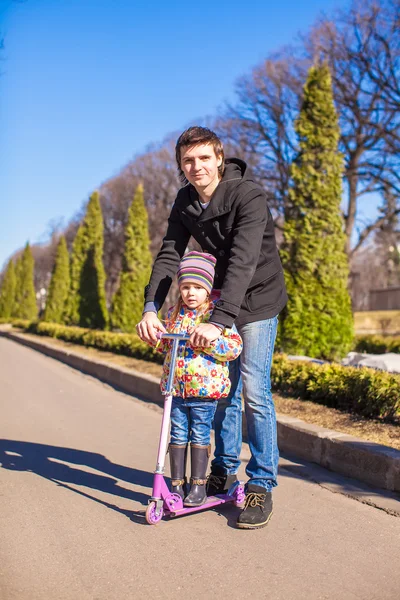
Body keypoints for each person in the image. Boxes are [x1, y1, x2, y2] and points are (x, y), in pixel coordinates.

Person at [136, 126, 288, 529]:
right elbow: (170, 253)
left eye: (204, 158)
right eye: (188, 160)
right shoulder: (185, 201)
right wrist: (151, 307)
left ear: (219, 159)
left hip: (256, 300)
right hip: (218, 301)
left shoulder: (248, 196)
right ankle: (221, 469)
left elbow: (242, 260)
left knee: (253, 390)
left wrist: (220, 321)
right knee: (223, 392)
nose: (196, 166)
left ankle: (261, 482)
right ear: (181, 166)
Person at [152, 251, 242, 507]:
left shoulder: (217, 316)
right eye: (186, 287)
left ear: (208, 288)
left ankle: (199, 486)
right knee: (178, 434)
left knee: (199, 434)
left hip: (204, 390)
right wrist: (158, 338)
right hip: (177, 390)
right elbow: (166, 347)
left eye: (198, 287)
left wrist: (210, 342)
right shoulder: (174, 314)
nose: (191, 293)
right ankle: (177, 485)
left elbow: (234, 348)